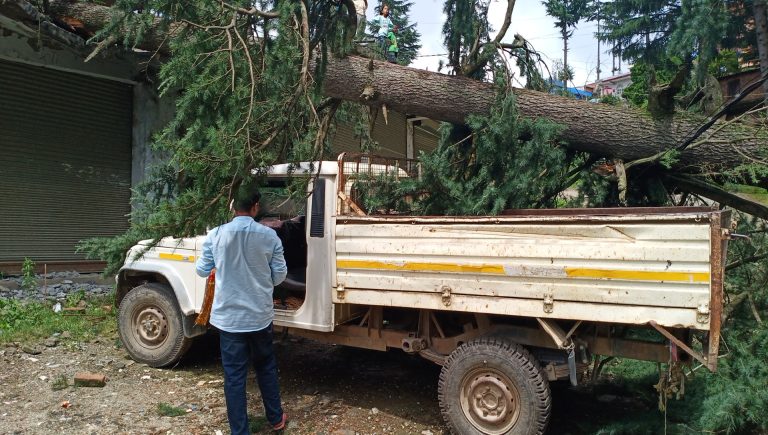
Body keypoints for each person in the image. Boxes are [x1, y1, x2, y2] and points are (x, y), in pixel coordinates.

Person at [195, 185, 288, 435]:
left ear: (232, 206)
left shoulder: (215, 235)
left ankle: (240, 431)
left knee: (234, 377)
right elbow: (280, 276)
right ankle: (276, 419)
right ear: (256, 207)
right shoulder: (269, 236)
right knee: (266, 366)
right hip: (259, 316)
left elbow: (202, 270)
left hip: (230, 320)